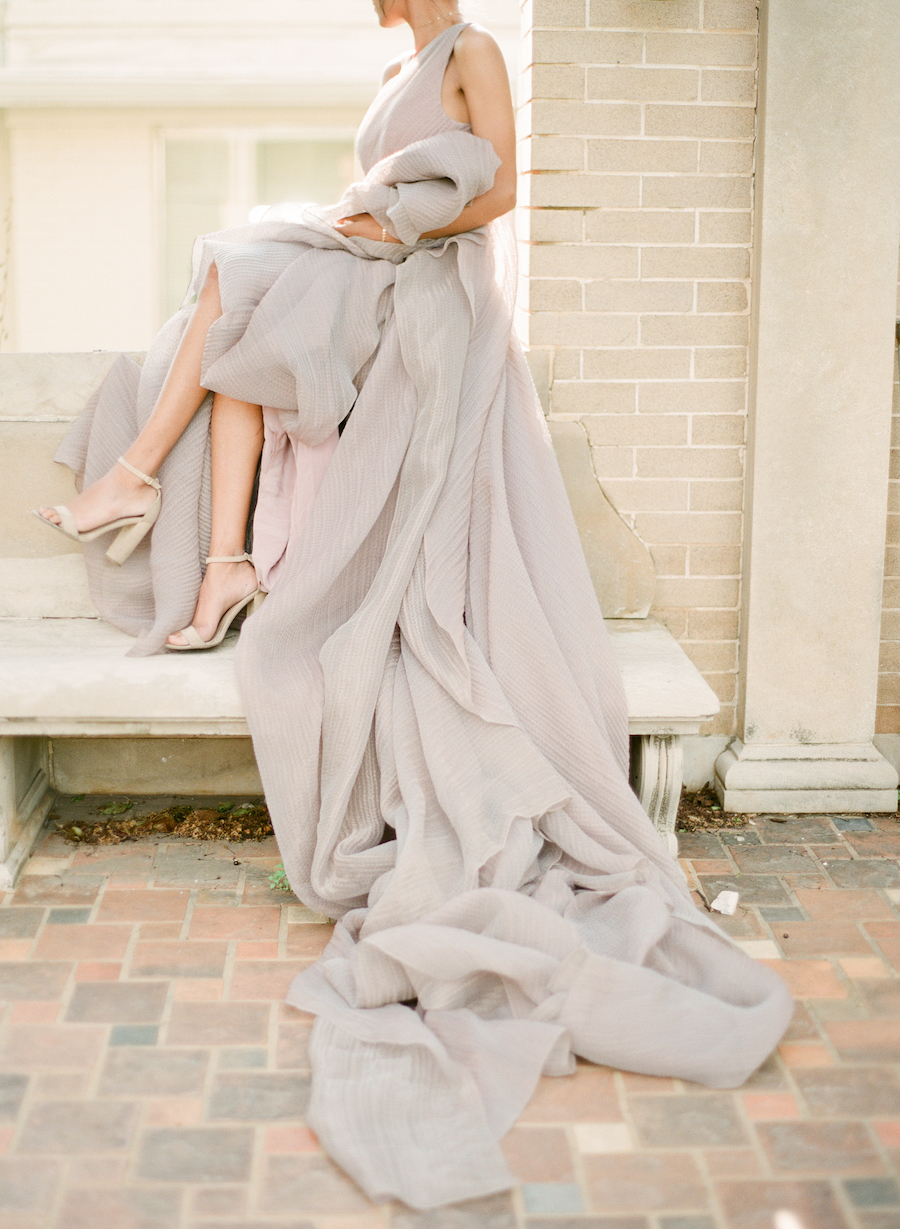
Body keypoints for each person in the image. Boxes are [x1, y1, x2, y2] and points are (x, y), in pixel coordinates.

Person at [35, 0, 794, 1209]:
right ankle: (213, 548)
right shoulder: (401, 61)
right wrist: (360, 218)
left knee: (239, 286)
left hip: (438, 303)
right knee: (233, 300)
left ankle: (159, 501)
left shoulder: (475, 50)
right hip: (384, 271)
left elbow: (499, 197)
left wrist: (388, 215)